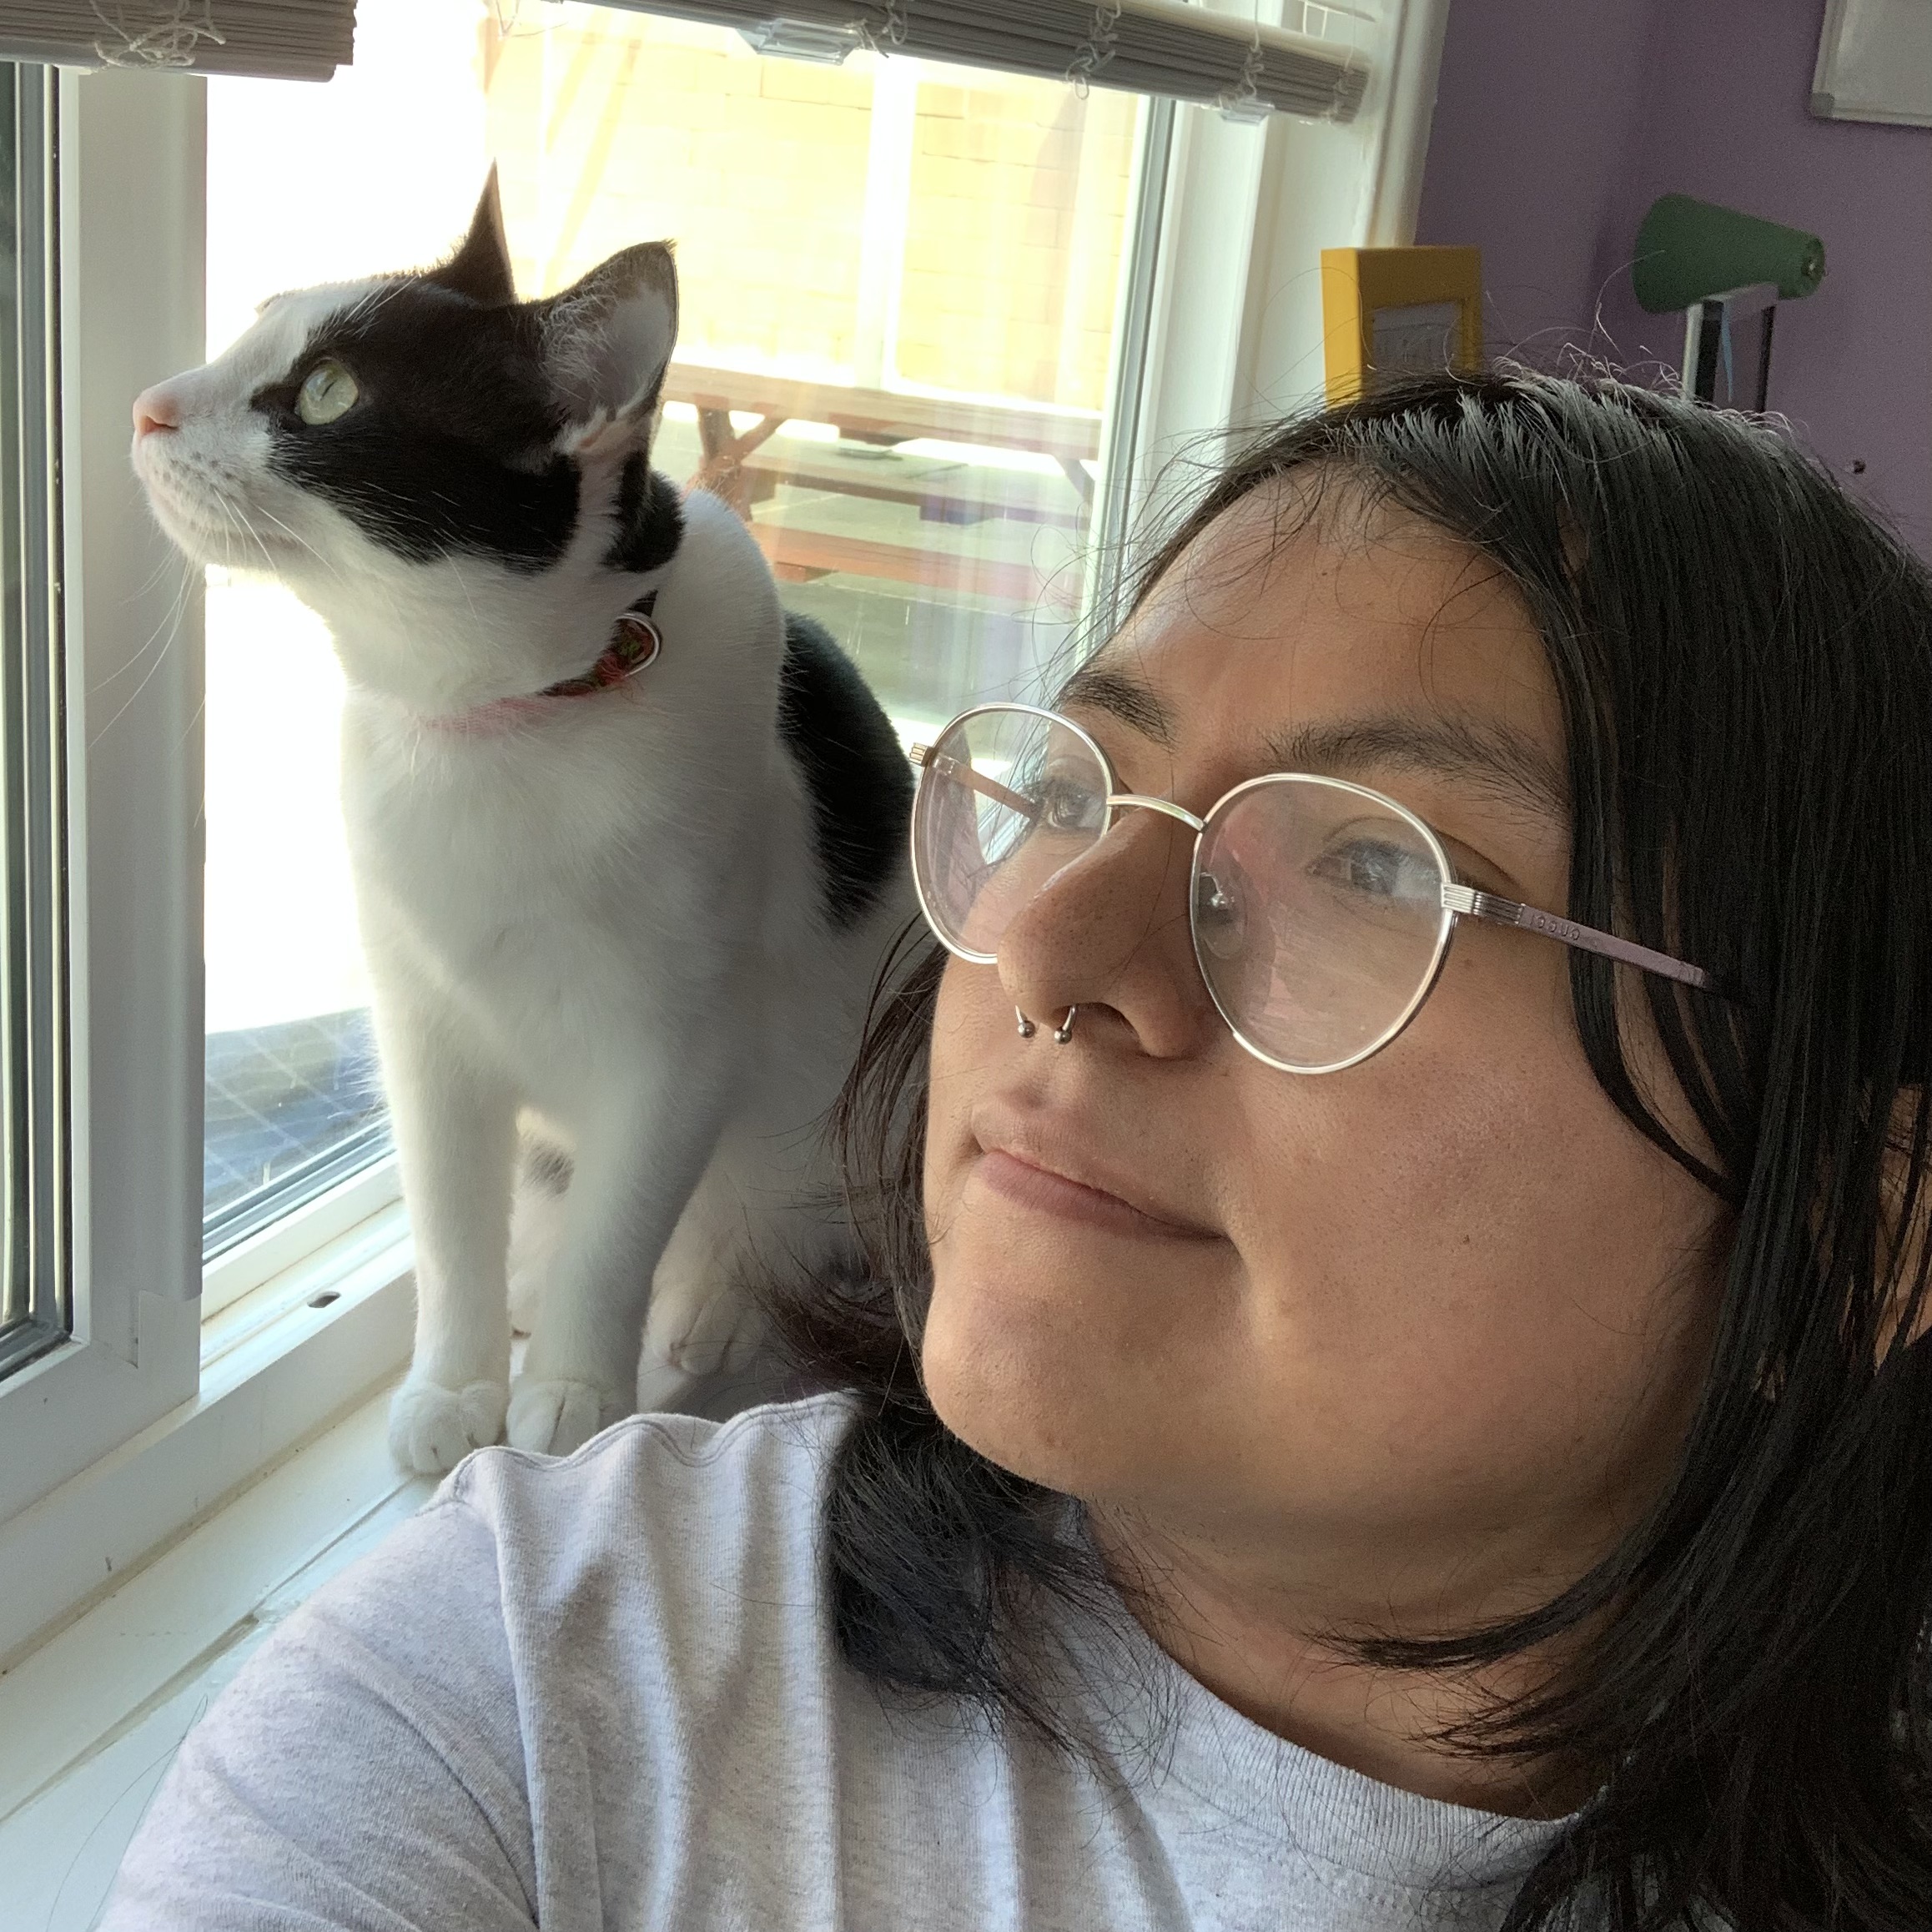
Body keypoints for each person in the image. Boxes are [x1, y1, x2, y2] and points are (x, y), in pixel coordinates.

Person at [103, 370, 1932, 1931]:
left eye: (1375, 865)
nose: (1049, 948)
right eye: (1077, 789)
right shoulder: (545, 1687)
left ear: (1873, 1226)